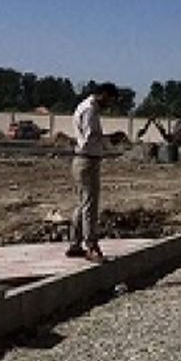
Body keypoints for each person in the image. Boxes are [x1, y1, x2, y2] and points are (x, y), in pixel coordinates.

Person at [67, 82, 119, 263]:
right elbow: (89, 139)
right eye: (109, 100)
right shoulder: (90, 110)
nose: (109, 104)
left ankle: (75, 244)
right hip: (87, 160)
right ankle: (91, 246)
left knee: (82, 203)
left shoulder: (84, 106)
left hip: (83, 160)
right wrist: (109, 139)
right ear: (102, 95)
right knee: (90, 204)